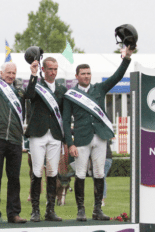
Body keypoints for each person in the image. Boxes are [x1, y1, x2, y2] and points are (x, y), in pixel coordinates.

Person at [63, 46, 134, 221]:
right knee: (80, 174)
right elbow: (65, 121)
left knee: (99, 173)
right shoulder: (70, 95)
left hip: (100, 137)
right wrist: (69, 143)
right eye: (83, 73)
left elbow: (117, 76)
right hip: (81, 138)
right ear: (77, 76)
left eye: (88, 73)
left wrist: (127, 58)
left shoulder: (100, 88)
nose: (86, 76)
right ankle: (81, 210)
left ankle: (97, 210)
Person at [0, 41, 36, 224]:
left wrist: (34, 74)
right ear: (1, 73)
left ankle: (14, 213)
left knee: (14, 178)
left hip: (14, 139)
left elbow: (32, 94)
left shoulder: (19, 91)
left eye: (13, 73)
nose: (11, 76)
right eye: (8, 72)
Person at [24, 57, 67, 222]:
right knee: (36, 171)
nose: (53, 72)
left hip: (55, 135)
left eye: (55, 69)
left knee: (52, 172)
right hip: (38, 134)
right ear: (43, 69)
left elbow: (63, 115)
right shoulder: (37, 85)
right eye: (50, 69)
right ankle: (35, 210)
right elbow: (28, 95)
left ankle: (50, 210)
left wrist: (65, 139)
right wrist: (33, 75)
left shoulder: (62, 89)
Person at [102, 141, 113, 206]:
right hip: (108, 158)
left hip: (103, 158)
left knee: (100, 179)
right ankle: (101, 199)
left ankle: (101, 200)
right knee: (101, 178)